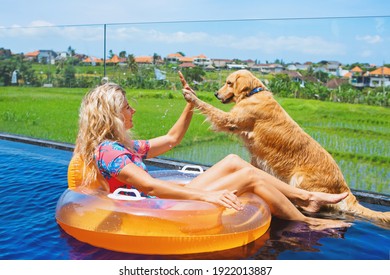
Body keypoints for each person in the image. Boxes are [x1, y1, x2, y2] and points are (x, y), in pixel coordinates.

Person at [73, 73, 350, 230]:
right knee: (249, 179)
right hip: (156, 211)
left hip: (160, 203)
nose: (133, 110)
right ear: (113, 116)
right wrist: (208, 194)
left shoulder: (123, 147)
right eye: (126, 108)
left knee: (233, 160)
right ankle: (307, 220)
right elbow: (151, 187)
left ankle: (307, 196)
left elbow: (171, 139)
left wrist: (190, 103)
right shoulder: (109, 151)